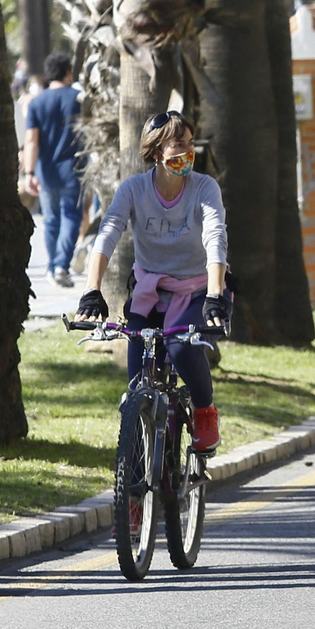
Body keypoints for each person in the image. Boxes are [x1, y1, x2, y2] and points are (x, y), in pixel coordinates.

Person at [75, 111, 231, 453]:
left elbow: (215, 237)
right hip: (150, 293)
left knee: (179, 347)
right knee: (138, 383)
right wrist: (91, 290)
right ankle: (136, 470)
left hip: (198, 292)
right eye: (178, 145)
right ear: (157, 151)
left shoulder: (204, 188)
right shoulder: (134, 189)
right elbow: (108, 232)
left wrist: (215, 295)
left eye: (190, 143)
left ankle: (205, 411)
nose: (187, 152)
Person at [23, 52, 86, 287]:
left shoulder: (37, 102)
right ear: (68, 72)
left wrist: (29, 173)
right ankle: (61, 266)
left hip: (45, 171)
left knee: (51, 220)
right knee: (71, 217)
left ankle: (52, 267)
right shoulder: (78, 99)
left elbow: (31, 141)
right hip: (74, 169)